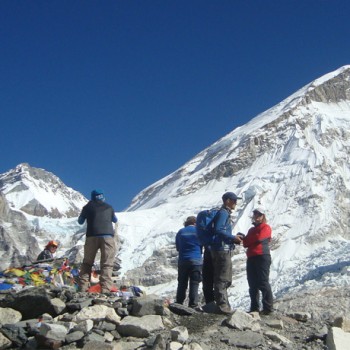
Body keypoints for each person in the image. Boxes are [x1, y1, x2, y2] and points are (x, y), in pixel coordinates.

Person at [78, 189, 118, 293]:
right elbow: (115, 220)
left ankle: (83, 287)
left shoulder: (87, 207)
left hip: (91, 236)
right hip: (107, 237)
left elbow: (80, 221)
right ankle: (105, 289)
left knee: (87, 263)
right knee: (107, 264)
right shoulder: (109, 207)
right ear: (102, 196)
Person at [209, 192, 243, 315]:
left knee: (223, 277)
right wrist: (232, 237)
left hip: (220, 248)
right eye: (234, 200)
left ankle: (223, 305)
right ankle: (223, 306)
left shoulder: (223, 213)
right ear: (227, 200)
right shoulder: (223, 213)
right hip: (222, 249)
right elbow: (219, 230)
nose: (235, 203)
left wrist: (233, 238)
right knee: (223, 278)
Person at [241, 207, 273, 315]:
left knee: (263, 282)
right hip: (252, 257)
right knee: (252, 283)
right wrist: (248, 239)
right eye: (255, 215)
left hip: (262, 256)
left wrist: (249, 239)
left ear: (263, 216)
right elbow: (245, 243)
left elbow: (260, 238)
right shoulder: (251, 230)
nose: (257, 217)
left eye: (259, 215)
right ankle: (254, 308)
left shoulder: (266, 227)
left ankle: (268, 308)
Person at [175, 216, 203, 308]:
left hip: (183, 260)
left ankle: (179, 303)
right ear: (195, 223)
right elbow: (202, 244)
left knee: (182, 282)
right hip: (196, 261)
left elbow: (178, 248)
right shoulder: (199, 231)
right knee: (194, 282)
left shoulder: (180, 232)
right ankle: (193, 304)